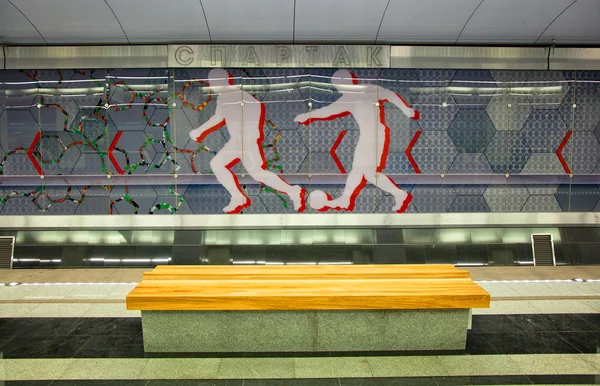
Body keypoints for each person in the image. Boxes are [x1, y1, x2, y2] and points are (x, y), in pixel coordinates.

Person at [294, 69, 420, 213]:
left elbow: (389, 94)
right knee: (359, 170)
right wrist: (308, 116)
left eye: (337, 84)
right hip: (370, 135)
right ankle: (347, 199)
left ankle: (399, 194)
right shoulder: (355, 95)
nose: (338, 87)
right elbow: (328, 111)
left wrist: (406, 109)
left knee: (367, 172)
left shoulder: (360, 93)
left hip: (375, 135)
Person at [190, 68, 306, 214]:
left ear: (222, 80)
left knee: (246, 170)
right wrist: (200, 131)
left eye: (213, 82)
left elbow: (256, 106)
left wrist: (251, 130)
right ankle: (288, 191)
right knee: (252, 171)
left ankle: (243, 196)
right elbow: (218, 118)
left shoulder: (237, 94)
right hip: (239, 141)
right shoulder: (223, 97)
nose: (212, 85)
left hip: (244, 140)